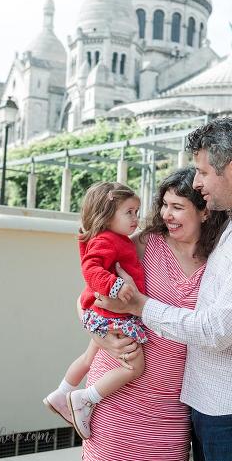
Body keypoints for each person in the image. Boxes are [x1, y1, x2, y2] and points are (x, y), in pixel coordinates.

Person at [97, 119, 232, 461]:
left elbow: (217, 329)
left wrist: (140, 306)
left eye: (203, 172)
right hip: (210, 408)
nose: (196, 182)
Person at [43, 182, 148, 440]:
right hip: (112, 315)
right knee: (134, 366)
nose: (136, 218)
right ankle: (85, 399)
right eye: (129, 212)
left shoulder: (107, 238)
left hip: (97, 314)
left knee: (89, 358)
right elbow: (90, 269)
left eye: (137, 211)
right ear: (107, 213)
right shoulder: (107, 241)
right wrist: (115, 285)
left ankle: (60, 393)